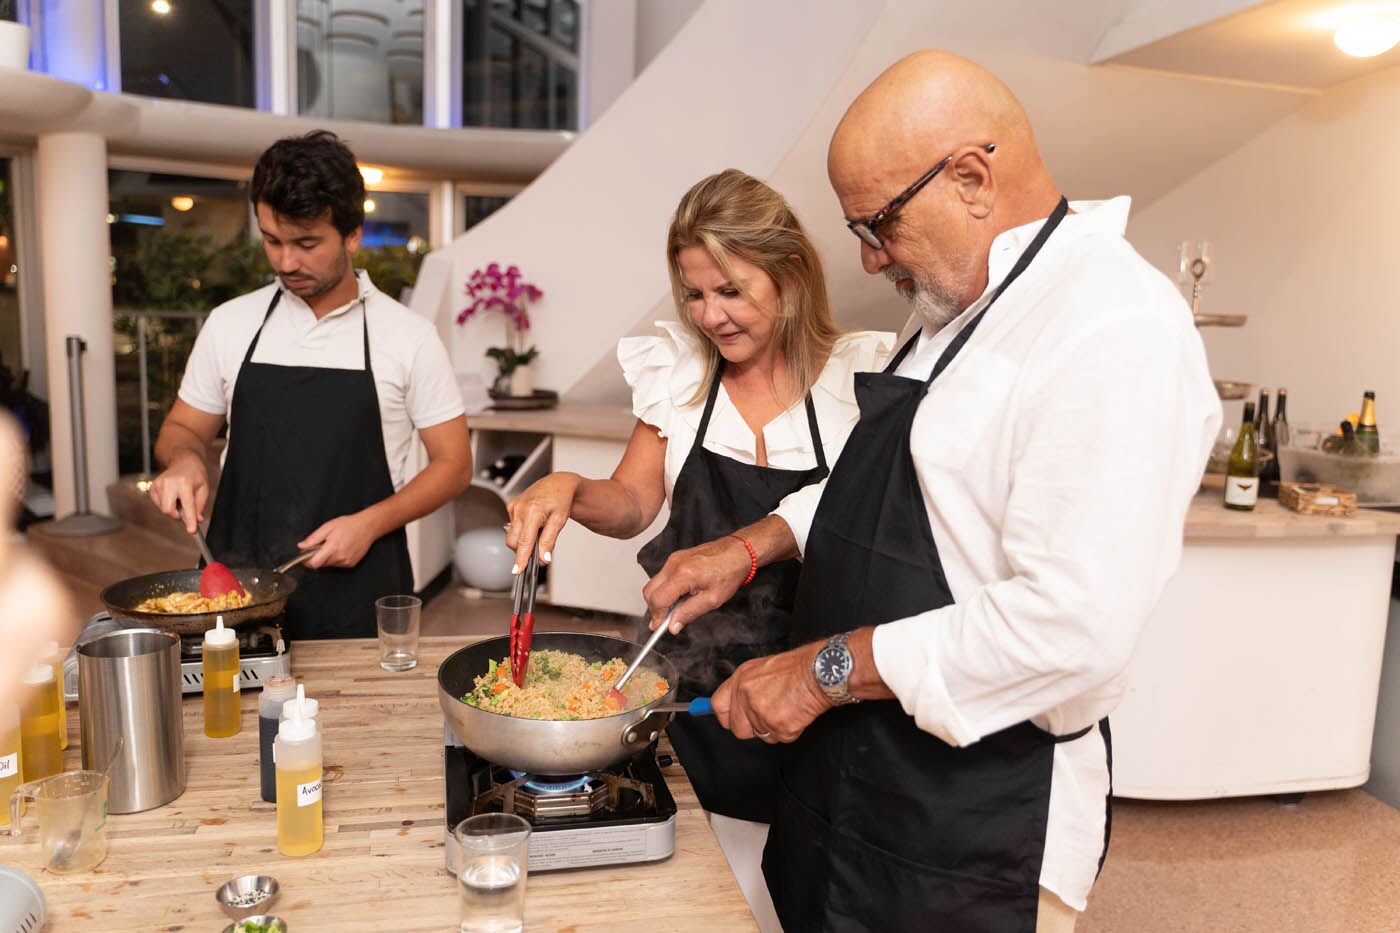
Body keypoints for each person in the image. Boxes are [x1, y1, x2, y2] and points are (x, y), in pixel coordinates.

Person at [641, 52, 1222, 932]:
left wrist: (822, 672)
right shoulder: (954, 308)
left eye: (879, 224)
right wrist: (750, 545)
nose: (869, 258)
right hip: (852, 782)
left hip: (972, 818)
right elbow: (890, 489)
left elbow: (1070, 624)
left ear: (971, 179)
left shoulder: (1115, 323)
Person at [505, 169, 891, 929]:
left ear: (790, 274)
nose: (709, 315)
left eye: (731, 291)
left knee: (802, 890)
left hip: (817, 690)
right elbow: (633, 502)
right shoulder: (681, 376)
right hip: (689, 685)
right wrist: (571, 488)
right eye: (693, 293)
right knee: (693, 893)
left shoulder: (860, 378)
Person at [148, 131, 471, 641]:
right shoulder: (230, 324)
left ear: (352, 235)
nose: (285, 263)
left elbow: (454, 464)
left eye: (306, 244)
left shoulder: (407, 336)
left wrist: (369, 523)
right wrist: (185, 460)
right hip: (236, 592)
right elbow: (183, 429)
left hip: (359, 589)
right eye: (272, 241)